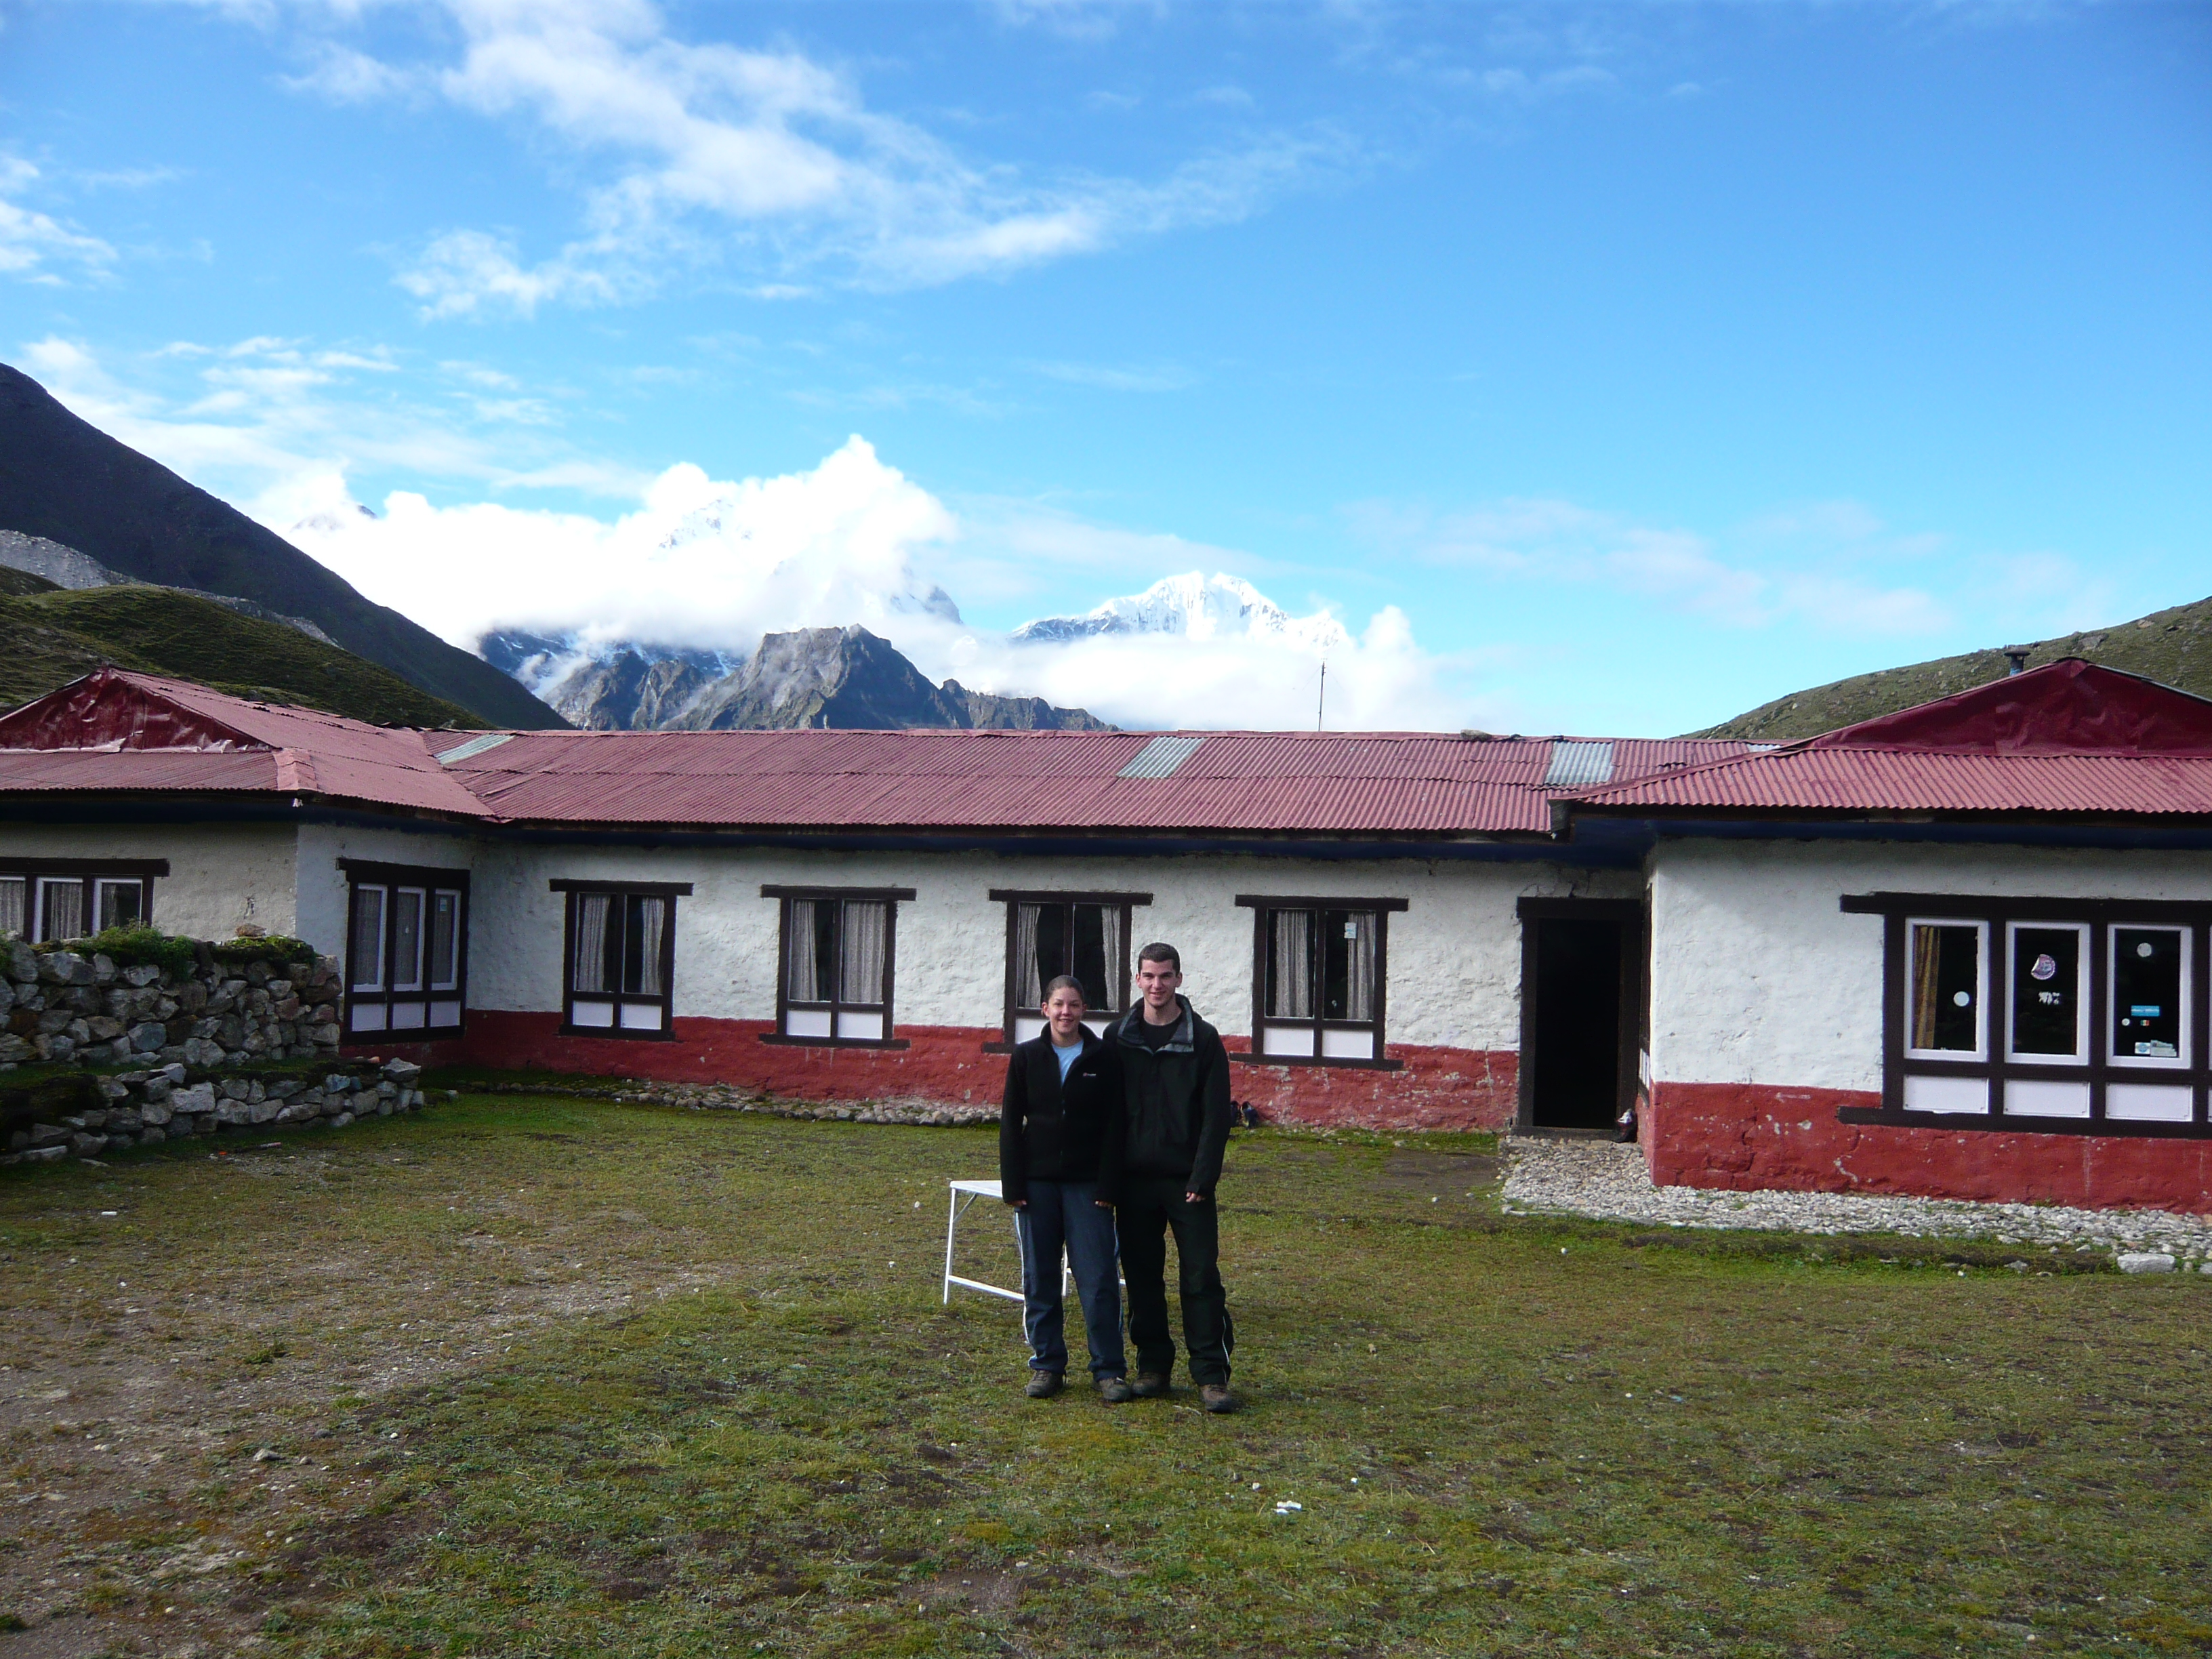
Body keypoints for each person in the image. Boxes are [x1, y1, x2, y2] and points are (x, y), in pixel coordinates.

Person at [1101, 942, 1238, 1413]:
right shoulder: (1117, 1036)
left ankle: (1211, 1376)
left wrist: (1203, 1177)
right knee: (1141, 1278)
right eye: (1148, 976)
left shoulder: (1203, 1038)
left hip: (1188, 1183)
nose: (1156, 984)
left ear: (1179, 979)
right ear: (1136, 980)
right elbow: (1103, 1113)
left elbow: (1215, 1117)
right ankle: (1153, 1366)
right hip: (1134, 1183)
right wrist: (1107, 1179)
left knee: (1201, 1277)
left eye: (1165, 976)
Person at [999, 975, 1132, 1403]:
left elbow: (1117, 1126)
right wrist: (1013, 1183)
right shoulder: (1025, 1057)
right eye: (1058, 1004)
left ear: (1084, 1009)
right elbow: (1010, 1122)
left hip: (1088, 1186)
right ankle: (1046, 1365)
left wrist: (1110, 1184)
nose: (1066, 1013)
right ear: (1044, 1008)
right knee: (1039, 1277)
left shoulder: (1103, 1057)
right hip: (1036, 1187)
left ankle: (1109, 1369)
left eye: (1074, 1005)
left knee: (1098, 1280)